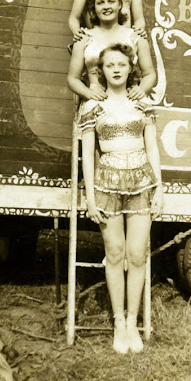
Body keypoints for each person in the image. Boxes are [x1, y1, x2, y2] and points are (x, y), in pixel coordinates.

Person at [79, 43, 164, 353]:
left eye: (122, 64)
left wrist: (159, 187)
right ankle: (118, 322)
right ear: (102, 71)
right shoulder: (91, 107)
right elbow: (88, 156)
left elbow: (152, 148)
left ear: (131, 69)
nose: (116, 68)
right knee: (115, 254)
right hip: (106, 184)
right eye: (110, 64)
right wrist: (90, 197)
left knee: (137, 254)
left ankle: (132, 321)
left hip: (142, 182)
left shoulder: (142, 104)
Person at [67, 0, 156, 102]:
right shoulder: (84, 39)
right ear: (94, 8)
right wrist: (88, 93)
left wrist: (141, 90)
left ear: (120, 4)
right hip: (96, 101)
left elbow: (150, 74)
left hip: (128, 100)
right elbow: (73, 78)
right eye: (100, 3)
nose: (106, 6)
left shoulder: (135, 37)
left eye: (111, 1)